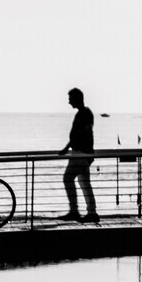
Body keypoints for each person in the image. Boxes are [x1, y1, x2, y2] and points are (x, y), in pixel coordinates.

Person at [59, 87, 98, 222]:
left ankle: (75, 211)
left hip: (80, 154)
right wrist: (66, 148)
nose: (69, 102)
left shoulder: (84, 113)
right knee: (84, 182)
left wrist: (89, 153)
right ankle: (91, 212)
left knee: (68, 179)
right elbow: (76, 135)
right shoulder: (82, 113)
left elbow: (88, 132)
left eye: (70, 99)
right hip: (80, 153)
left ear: (77, 98)